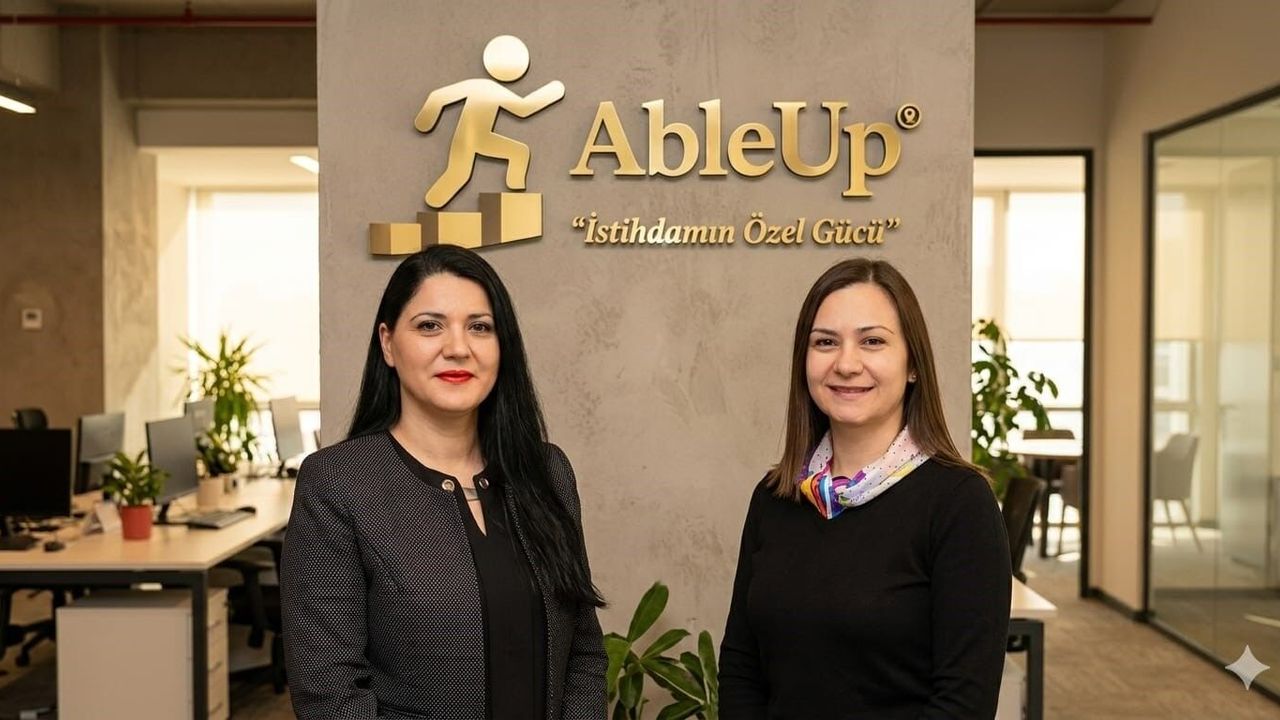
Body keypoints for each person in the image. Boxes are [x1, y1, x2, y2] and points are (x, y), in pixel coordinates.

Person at [281, 245, 606, 719]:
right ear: (388, 343)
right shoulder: (338, 483)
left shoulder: (546, 471)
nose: (458, 347)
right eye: (430, 326)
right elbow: (329, 694)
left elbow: (583, 654)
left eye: (480, 327)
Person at [718, 259, 1011, 719]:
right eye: (825, 342)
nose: (846, 364)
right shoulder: (776, 497)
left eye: (872, 341)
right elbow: (741, 667)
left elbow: (963, 704)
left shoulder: (959, 503)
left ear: (913, 365)